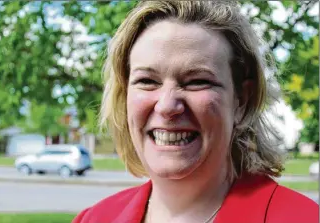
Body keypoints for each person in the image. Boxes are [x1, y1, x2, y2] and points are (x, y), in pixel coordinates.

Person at [73, 1, 319, 223]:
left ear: (241, 101)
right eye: (147, 80)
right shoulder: (94, 218)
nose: (167, 106)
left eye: (197, 81)